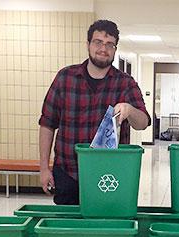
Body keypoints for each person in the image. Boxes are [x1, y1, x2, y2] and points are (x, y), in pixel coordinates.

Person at [39, 19, 150, 205]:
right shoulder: (65, 78)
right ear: (88, 44)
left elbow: (143, 123)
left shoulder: (125, 83)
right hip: (68, 172)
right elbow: (47, 124)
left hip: (109, 174)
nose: (103, 49)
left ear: (115, 49)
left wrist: (130, 110)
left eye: (109, 44)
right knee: (68, 230)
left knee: (104, 230)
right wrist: (43, 168)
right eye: (98, 42)